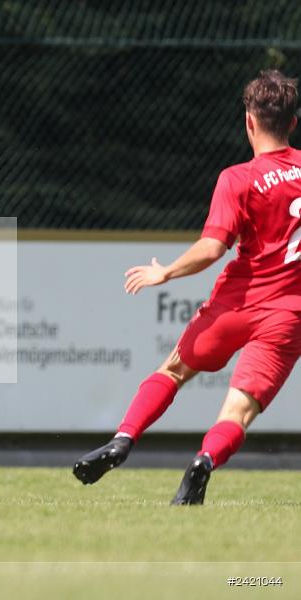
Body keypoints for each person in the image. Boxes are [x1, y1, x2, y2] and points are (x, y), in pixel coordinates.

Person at [73, 70, 301, 505]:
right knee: (239, 410)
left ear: (249, 122)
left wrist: (167, 273)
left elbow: (214, 247)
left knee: (173, 370)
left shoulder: (237, 178)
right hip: (288, 314)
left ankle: (124, 438)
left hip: (235, 304)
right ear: (293, 123)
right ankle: (205, 461)